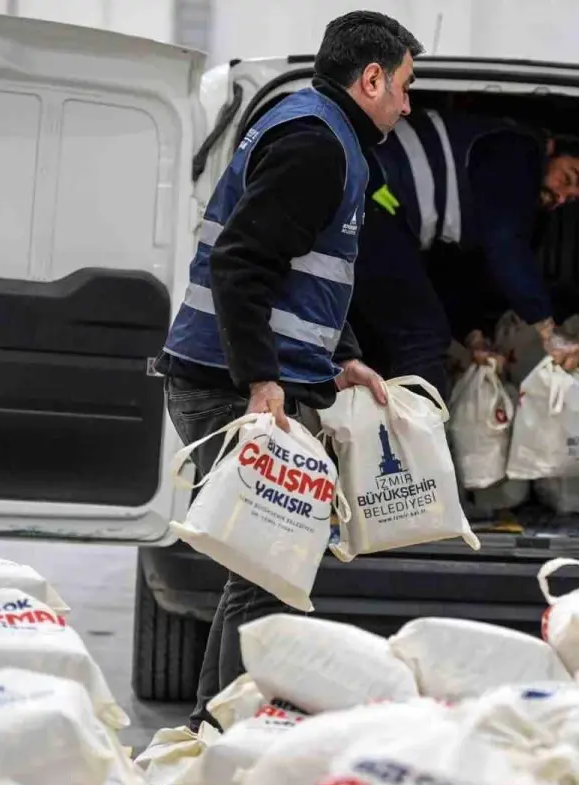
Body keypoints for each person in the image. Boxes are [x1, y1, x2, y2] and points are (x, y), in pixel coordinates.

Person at [154, 10, 423, 730]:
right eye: (404, 87)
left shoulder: (324, 134)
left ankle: (217, 730)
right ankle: (223, 734)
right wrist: (262, 381)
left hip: (232, 378)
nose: (407, 105)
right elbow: (241, 263)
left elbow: (304, 275)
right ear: (372, 79)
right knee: (269, 570)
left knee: (263, 570)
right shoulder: (315, 145)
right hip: (227, 387)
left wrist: (340, 358)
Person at [348, 111, 579, 395]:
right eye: (568, 178)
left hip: (375, 204)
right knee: (424, 337)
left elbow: (459, 270)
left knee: (392, 327)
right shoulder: (519, 151)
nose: (561, 197)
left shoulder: (487, 192)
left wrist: (473, 335)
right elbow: (506, 245)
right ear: (550, 147)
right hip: (374, 193)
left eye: (569, 200)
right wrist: (548, 330)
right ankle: (415, 424)